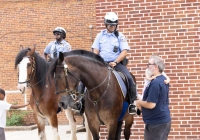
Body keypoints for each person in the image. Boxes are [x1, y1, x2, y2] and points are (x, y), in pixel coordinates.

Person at [91, 12, 137, 115]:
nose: (113, 26)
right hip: (101, 64)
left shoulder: (120, 36)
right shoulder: (100, 35)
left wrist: (115, 62)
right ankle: (80, 102)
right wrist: (98, 61)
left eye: (114, 24)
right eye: (111, 24)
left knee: (129, 78)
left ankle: (132, 103)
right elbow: (95, 50)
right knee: (86, 77)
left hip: (116, 63)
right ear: (105, 24)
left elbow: (124, 51)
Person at [136, 55, 171, 140]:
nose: (147, 66)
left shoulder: (155, 83)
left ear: (156, 67)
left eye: (149, 64)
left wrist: (138, 102)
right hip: (162, 121)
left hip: (156, 124)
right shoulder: (162, 79)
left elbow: (151, 105)